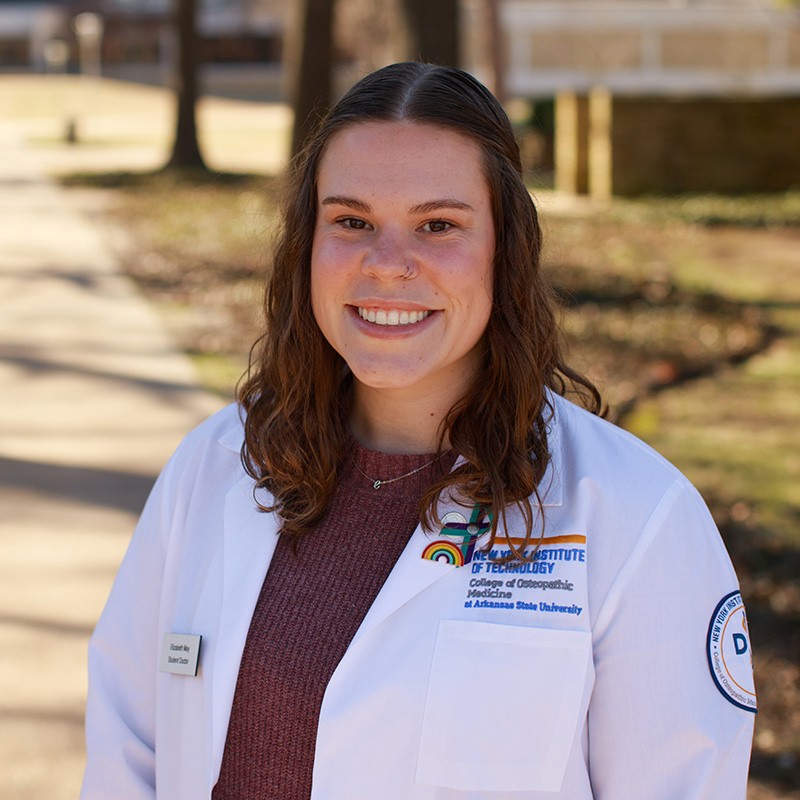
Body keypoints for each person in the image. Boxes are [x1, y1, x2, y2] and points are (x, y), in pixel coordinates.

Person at [81, 62, 756, 800]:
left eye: (438, 225)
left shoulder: (635, 515)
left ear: (507, 249)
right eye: (352, 222)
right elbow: (127, 755)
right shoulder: (213, 468)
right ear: (308, 243)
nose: (388, 265)